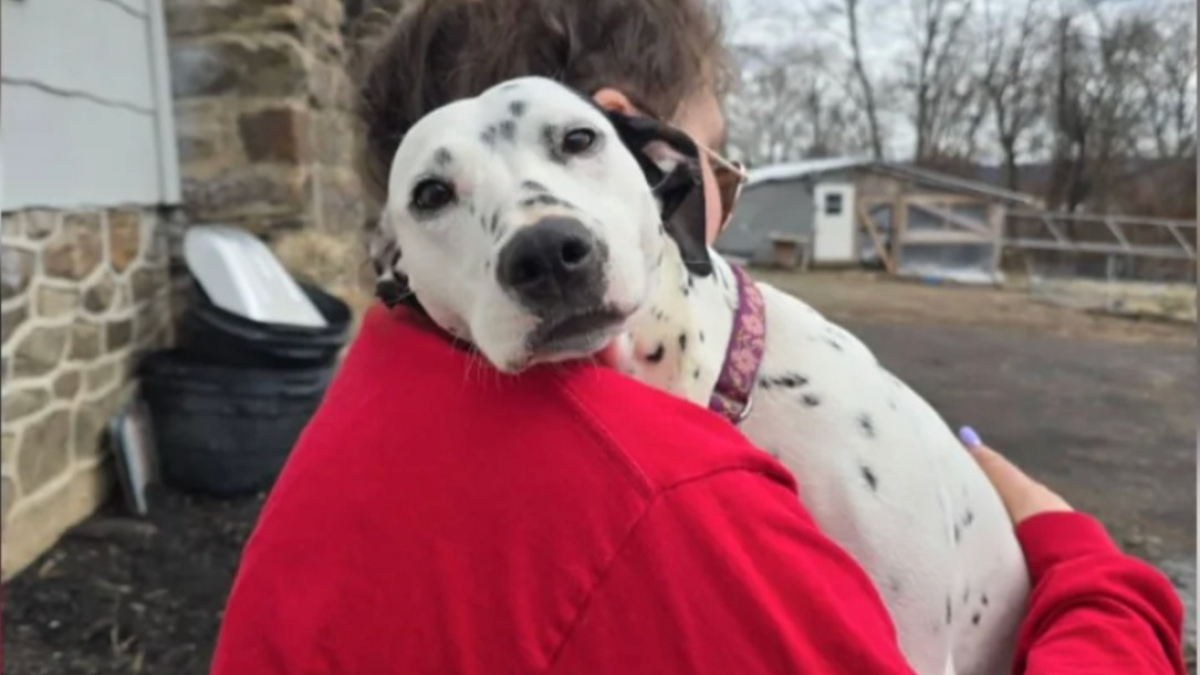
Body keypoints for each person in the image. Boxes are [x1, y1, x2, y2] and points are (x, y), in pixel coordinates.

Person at [209, 1, 1185, 673]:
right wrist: (1104, 585)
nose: (537, 246)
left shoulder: (364, 414)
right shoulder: (668, 509)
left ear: (651, 172)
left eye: (572, 149)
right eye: (438, 198)